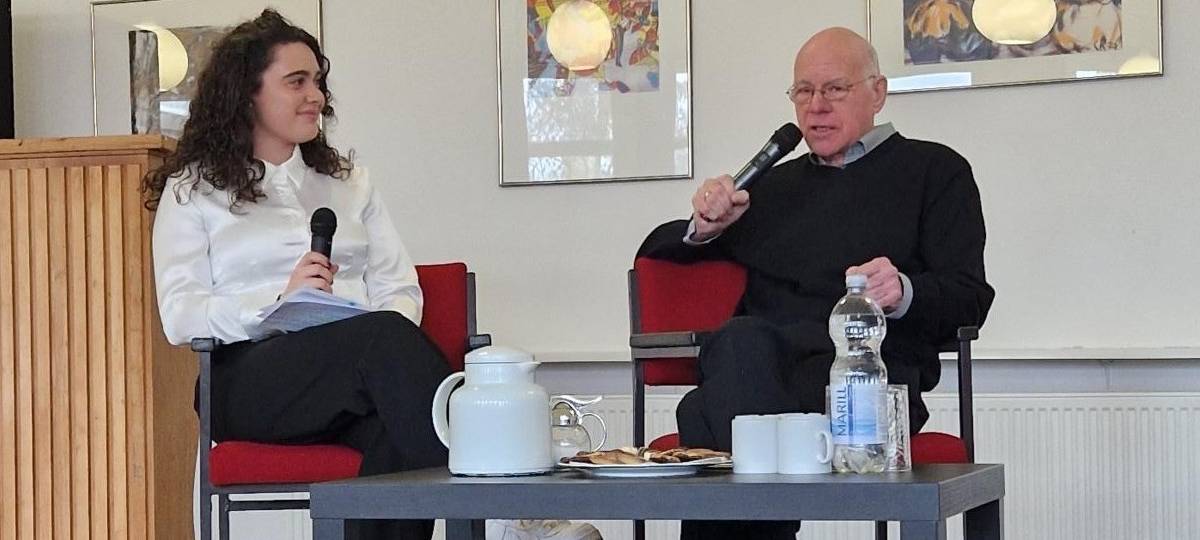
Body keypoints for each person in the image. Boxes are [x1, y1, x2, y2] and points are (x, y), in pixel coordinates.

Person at [637, 27, 995, 540]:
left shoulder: (936, 171)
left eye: (835, 89)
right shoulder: (771, 185)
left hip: (864, 376)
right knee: (739, 340)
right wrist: (703, 228)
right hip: (761, 360)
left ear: (877, 92)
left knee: (704, 412)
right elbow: (657, 252)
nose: (817, 107)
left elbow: (970, 297)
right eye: (803, 91)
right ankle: (768, 513)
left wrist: (904, 292)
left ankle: (758, 511)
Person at [144, 10, 448, 540]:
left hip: (359, 372)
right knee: (383, 346)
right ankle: (511, 514)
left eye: (319, 82)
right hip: (247, 379)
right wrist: (275, 302)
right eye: (297, 82)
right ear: (248, 95)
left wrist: (366, 333)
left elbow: (398, 289)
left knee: (395, 430)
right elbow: (180, 314)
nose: (317, 97)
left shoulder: (351, 183)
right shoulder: (193, 191)